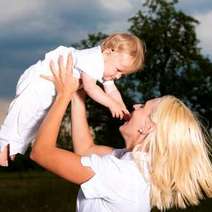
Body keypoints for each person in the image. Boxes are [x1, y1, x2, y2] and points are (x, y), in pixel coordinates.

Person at [30, 55, 212, 211]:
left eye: (143, 107)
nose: (135, 106)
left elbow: (41, 153)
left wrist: (63, 95)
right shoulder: (133, 163)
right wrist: (78, 97)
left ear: (148, 128)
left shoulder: (123, 174)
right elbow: (86, 149)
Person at [0, 33, 145, 166]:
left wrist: (121, 107)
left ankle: (11, 150)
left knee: (36, 121)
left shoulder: (105, 67)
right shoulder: (92, 60)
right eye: (118, 70)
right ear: (108, 52)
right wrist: (111, 104)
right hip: (41, 80)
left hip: (52, 88)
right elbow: (90, 88)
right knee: (24, 114)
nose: (118, 76)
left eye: (123, 74)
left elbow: (112, 90)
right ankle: (4, 145)